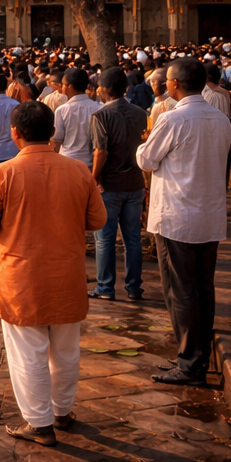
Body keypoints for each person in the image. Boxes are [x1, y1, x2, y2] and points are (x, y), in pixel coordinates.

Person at [0, 101, 105, 446]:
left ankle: (40, 423)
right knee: (66, 350)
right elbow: (97, 221)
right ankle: (62, 411)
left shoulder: (3, 173)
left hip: (21, 278)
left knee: (28, 352)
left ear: (15, 133)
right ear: (53, 132)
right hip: (66, 275)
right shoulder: (78, 171)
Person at [136, 57, 231, 386]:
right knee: (203, 288)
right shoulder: (220, 118)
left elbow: (147, 159)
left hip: (177, 216)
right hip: (208, 215)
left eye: (168, 82)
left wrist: (144, 141)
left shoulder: (172, 118)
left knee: (181, 291)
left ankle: (191, 362)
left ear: (174, 84)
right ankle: (195, 354)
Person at [89, 67, 150, 302]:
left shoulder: (101, 115)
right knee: (132, 237)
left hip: (110, 184)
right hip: (134, 182)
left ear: (103, 89)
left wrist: (95, 177)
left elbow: (100, 151)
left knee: (105, 238)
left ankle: (106, 287)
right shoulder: (140, 113)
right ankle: (134, 287)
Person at [51, 68, 100, 168]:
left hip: (67, 162)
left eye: (63, 85)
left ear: (70, 86)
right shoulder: (99, 108)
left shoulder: (62, 110)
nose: (61, 88)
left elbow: (56, 141)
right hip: (91, 164)